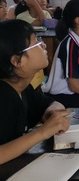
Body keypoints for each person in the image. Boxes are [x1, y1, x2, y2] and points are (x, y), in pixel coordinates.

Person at [0, 20, 71, 165]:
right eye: (36, 43)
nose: (44, 45)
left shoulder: (22, 88)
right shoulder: (3, 96)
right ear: (17, 61)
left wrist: (52, 113)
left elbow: (50, 103)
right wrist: (42, 132)